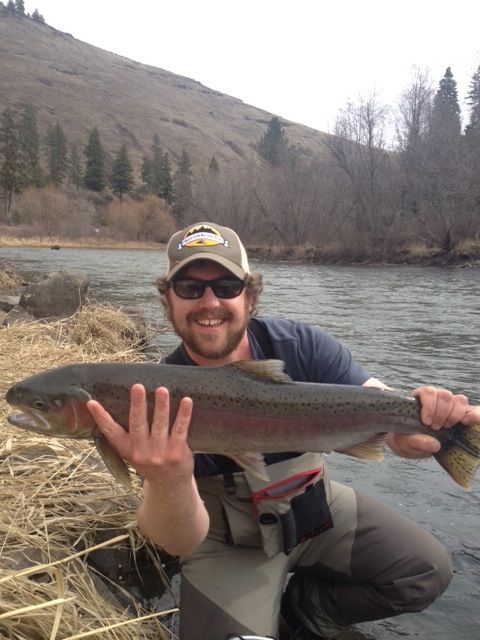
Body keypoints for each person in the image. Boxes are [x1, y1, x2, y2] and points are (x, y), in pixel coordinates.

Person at [87, 222, 480, 640]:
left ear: (250, 296)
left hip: (318, 512)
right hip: (226, 544)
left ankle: (305, 609)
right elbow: (177, 541)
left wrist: (411, 427)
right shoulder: (155, 394)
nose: (209, 301)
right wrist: (168, 479)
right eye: (188, 288)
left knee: (428, 570)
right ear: (167, 300)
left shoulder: (303, 345)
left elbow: (375, 396)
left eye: (225, 285)